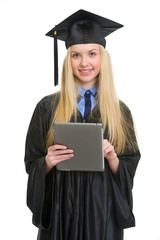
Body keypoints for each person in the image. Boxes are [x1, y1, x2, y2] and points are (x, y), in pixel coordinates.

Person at [24, 9, 141, 240]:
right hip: (60, 213)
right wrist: (47, 162)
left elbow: (130, 165)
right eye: (76, 55)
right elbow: (31, 163)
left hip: (103, 213)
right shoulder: (47, 108)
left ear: (102, 58)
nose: (84, 62)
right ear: (68, 60)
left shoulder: (120, 111)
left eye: (92, 53)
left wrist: (112, 158)